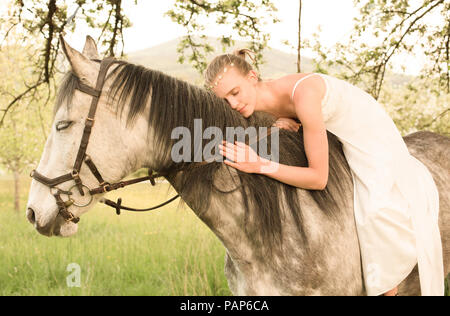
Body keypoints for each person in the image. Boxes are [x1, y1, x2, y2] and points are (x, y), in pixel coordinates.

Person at [205, 49, 445, 296]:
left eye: (235, 92)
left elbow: (318, 178)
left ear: (252, 77)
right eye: (225, 100)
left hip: (365, 131)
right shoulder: (254, 105)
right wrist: (276, 127)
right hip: (335, 132)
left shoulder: (304, 96)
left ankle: (388, 287)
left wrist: (259, 165)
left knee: (374, 208)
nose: (233, 104)